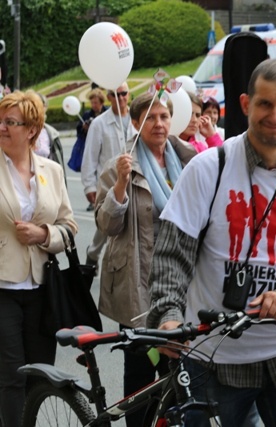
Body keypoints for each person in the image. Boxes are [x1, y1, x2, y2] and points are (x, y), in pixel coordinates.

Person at [147, 58, 276, 427]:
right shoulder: (208, 168)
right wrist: (168, 316)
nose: (275, 115)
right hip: (212, 361)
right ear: (244, 104)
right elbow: (172, 255)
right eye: (265, 104)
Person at [94, 93, 196, 427]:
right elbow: (107, 225)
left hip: (180, 282)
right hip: (137, 284)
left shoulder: (189, 160)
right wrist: (121, 184)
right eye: (150, 118)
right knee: (139, 375)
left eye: (164, 116)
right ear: (136, 123)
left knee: (179, 373)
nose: (159, 124)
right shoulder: (120, 165)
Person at [0, 90, 77, 426]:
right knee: (11, 374)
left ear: (31, 129)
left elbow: (69, 225)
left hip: (43, 289)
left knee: (39, 373)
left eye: (10, 122)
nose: (2, 127)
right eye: (0, 120)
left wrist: (44, 235)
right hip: (2, 288)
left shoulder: (52, 170)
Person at [81, 83, 135, 267]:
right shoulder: (99, 124)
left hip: (134, 184)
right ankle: (92, 258)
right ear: (108, 97)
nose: (120, 98)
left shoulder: (138, 120)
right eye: (114, 94)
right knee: (104, 227)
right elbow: (90, 156)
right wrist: (89, 185)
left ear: (129, 94)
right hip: (108, 185)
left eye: (123, 94)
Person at [69, 89, 108, 197]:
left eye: (95, 102)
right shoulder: (87, 115)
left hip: (104, 147)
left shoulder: (107, 113)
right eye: (92, 102)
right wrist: (84, 128)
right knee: (91, 170)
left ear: (101, 103)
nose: (93, 105)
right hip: (91, 146)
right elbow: (79, 132)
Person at [34, 93, 67, 186]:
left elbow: (59, 164)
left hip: (48, 182)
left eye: (40, 105)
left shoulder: (51, 133)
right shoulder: (21, 131)